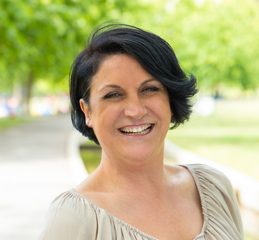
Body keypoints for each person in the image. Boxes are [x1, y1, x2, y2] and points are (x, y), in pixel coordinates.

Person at [39, 23, 244, 240]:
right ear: (87, 111)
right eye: (113, 95)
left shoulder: (214, 188)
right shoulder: (72, 218)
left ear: (170, 101)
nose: (136, 111)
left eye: (149, 89)